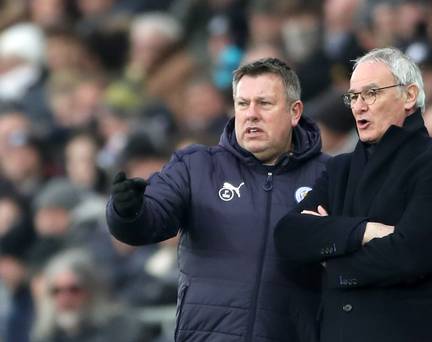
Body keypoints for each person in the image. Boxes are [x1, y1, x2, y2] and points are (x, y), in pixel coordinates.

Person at [106, 58, 328, 341]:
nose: (251, 114)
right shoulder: (196, 166)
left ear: (294, 112)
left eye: (265, 103)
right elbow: (150, 220)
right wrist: (128, 211)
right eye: (243, 104)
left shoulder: (330, 175)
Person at [274, 47, 432, 341]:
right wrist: (364, 232)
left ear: (409, 96)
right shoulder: (339, 168)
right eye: (353, 97)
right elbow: (288, 235)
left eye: (371, 93)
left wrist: (330, 258)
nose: (358, 106)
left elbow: (409, 256)